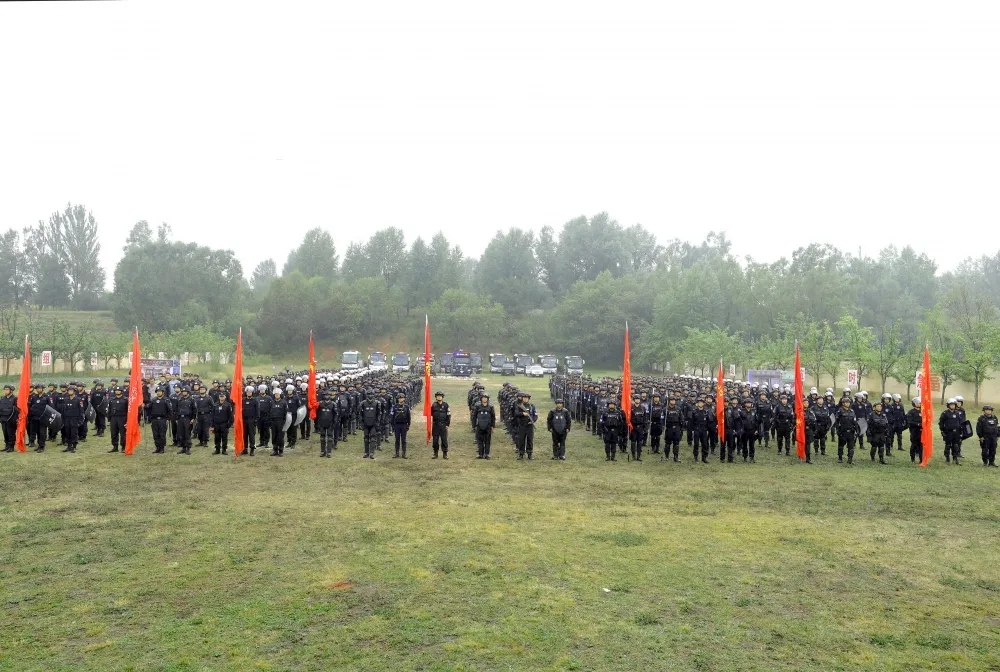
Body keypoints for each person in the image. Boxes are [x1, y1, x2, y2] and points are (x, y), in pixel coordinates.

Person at [835, 396, 859, 465]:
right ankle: (840, 458)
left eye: (848, 402)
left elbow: (855, 421)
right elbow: (836, 422)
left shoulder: (852, 411)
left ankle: (850, 459)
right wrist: (838, 430)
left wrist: (857, 429)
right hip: (843, 431)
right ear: (843, 403)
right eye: (846, 402)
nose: (848, 404)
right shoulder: (840, 411)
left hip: (851, 432)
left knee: (851, 446)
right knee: (841, 445)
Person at [61, 386, 86, 453]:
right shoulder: (65, 399)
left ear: (74, 391)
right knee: (68, 433)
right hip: (67, 419)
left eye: (71, 391)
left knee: (74, 434)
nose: (70, 392)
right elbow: (63, 410)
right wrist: (63, 419)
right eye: (69, 391)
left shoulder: (78, 400)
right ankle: (69, 446)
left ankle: (74, 446)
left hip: (75, 419)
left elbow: (81, 411)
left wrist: (80, 421)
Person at [939, 398, 963, 465]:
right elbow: (941, 423)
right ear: (948, 405)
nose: (953, 406)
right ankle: (947, 459)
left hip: (956, 433)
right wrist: (942, 431)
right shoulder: (945, 413)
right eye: (951, 405)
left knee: (956, 446)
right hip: (948, 433)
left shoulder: (958, 413)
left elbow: (960, 423)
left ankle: (955, 459)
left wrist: (961, 432)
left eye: (954, 405)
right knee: (948, 446)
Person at [148, 387, 171, 454]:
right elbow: (149, 408)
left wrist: (168, 419)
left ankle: (162, 448)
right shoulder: (153, 400)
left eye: (160, 391)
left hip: (162, 420)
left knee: (162, 434)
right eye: (157, 391)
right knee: (155, 434)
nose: (158, 392)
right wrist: (144, 405)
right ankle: (157, 447)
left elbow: (170, 410)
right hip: (154, 419)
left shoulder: (166, 400)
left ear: (163, 392)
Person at [473, 393, 497, 459]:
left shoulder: (491, 407)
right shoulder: (477, 406)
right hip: (479, 426)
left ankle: (487, 454)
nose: (484, 399)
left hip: (488, 426)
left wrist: (493, 426)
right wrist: (474, 425)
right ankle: (480, 454)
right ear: (481, 399)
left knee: (487, 440)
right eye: (483, 398)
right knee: (480, 440)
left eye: (486, 398)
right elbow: (474, 416)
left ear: (488, 399)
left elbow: (493, 417)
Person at [515, 392, 537, 460]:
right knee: (521, 440)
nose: (525, 399)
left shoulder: (532, 406)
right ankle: (521, 454)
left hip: (529, 426)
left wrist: (533, 420)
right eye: (524, 398)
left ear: (528, 399)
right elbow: (516, 413)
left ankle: (529, 454)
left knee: (530, 440)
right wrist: (522, 413)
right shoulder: (519, 406)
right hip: (522, 425)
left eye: (526, 398)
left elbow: (535, 415)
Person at [867, 400, 890, 464]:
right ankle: (872, 459)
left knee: (882, 447)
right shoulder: (871, 415)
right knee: (874, 446)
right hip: (874, 433)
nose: (879, 407)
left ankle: (881, 459)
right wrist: (869, 433)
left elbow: (886, 424)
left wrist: (887, 431)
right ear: (874, 407)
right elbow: (868, 425)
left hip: (882, 433)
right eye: (878, 406)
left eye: (880, 406)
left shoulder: (884, 415)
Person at [174, 388, 196, 455]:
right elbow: (177, 409)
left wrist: (193, 418)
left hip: (187, 418)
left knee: (187, 433)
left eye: (185, 391)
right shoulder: (179, 399)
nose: (183, 393)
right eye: (183, 391)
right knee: (181, 434)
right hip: (180, 418)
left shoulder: (192, 399)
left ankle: (188, 448)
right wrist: (177, 418)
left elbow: (194, 409)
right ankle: (183, 448)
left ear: (188, 392)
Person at [107, 386, 128, 453]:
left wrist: (127, 420)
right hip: (113, 418)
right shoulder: (111, 400)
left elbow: (128, 410)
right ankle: (115, 447)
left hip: (122, 418)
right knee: (113, 433)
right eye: (116, 390)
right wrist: (109, 418)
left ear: (121, 391)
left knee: (123, 433)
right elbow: (109, 409)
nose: (117, 391)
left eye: (119, 390)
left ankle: (123, 447)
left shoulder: (126, 400)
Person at [359, 393, 380, 459]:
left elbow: (379, 414)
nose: (370, 395)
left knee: (373, 438)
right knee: (366, 438)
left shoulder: (377, 403)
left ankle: (371, 453)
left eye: (371, 394)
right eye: (368, 394)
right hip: (365, 423)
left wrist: (378, 423)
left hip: (374, 423)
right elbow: (360, 414)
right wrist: (361, 423)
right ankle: (366, 452)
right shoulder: (363, 403)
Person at [430, 391, 451, 459]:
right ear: (436, 397)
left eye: (440, 396)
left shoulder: (446, 405)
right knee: (435, 440)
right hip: (435, 425)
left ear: (442, 397)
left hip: (443, 425)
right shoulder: (433, 405)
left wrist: (447, 424)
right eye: (438, 396)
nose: (439, 397)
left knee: (444, 440)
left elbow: (448, 415)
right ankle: (435, 453)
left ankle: (445, 454)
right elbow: (430, 413)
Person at [29, 384, 49, 453]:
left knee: (42, 432)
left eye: (39, 388)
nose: (38, 390)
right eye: (37, 388)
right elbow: (31, 406)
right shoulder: (34, 397)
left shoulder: (47, 397)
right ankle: (39, 445)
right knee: (37, 432)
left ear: (43, 389)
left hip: (43, 418)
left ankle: (42, 446)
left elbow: (50, 408)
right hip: (35, 418)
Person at [391, 393, 411, 459]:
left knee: (403, 440)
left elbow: (409, 416)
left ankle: (404, 453)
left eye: (402, 398)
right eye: (399, 398)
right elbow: (392, 416)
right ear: (397, 399)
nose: (400, 399)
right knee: (397, 439)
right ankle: (396, 453)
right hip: (397, 425)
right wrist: (392, 426)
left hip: (404, 425)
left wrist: (408, 425)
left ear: (404, 398)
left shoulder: (406, 407)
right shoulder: (394, 406)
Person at [663, 398, 683, 462]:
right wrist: (663, 426)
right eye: (671, 400)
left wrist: (681, 428)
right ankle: (667, 456)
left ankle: (676, 457)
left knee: (676, 443)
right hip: (669, 428)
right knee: (668, 443)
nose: (673, 401)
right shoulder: (665, 409)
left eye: (674, 400)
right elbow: (662, 419)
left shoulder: (678, 409)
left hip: (677, 427)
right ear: (669, 401)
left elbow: (681, 418)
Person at [269, 389, 287, 457]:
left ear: (280, 395)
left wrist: (285, 422)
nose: (276, 395)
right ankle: (275, 449)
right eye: (275, 394)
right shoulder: (271, 402)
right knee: (274, 436)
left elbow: (286, 413)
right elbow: (269, 412)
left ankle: (281, 450)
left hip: (281, 421)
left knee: (280, 437)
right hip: (273, 421)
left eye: (278, 394)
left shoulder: (284, 402)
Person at [241, 386, 258, 455]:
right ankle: (244, 449)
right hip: (244, 420)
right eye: (247, 392)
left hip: (252, 420)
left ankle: (252, 449)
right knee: (244, 435)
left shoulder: (255, 400)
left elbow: (257, 410)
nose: (249, 393)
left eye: (250, 392)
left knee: (251, 435)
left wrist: (256, 419)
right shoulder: (243, 400)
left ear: (252, 393)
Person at [0, 384, 17, 452]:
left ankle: (11, 446)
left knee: (11, 433)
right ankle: (7, 445)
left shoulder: (15, 399)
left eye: (7, 389)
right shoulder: (2, 398)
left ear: (11, 390)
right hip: (3, 419)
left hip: (11, 419)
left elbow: (16, 410)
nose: (6, 391)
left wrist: (13, 418)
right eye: (5, 389)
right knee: (5, 433)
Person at [907, 397, 924, 464]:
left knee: (921, 446)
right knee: (913, 445)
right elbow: (910, 422)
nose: (919, 404)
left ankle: (921, 460)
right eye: (918, 403)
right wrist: (919, 424)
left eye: (920, 403)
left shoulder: (923, 411)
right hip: (914, 431)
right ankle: (912, 459)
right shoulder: (911, 412)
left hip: (922, 432)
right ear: (914, 404)